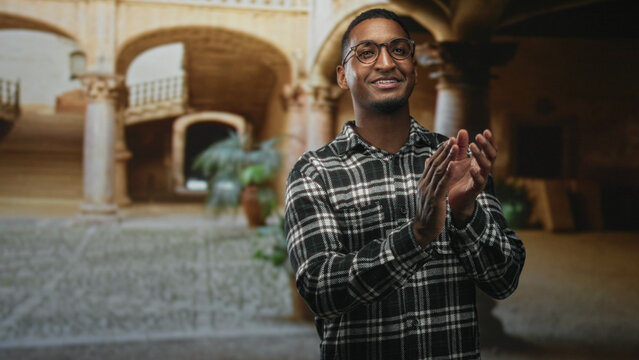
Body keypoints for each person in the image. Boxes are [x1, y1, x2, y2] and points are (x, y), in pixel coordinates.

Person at [284, 8, 525, 359]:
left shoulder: (457, 160)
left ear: (413, 68)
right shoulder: (314, 173)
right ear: (342, 75)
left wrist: (466, 212)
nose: (386, 62)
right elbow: (321, 291)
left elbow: (504, 280)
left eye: (399, 50)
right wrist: (416, 236)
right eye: (366, 52)